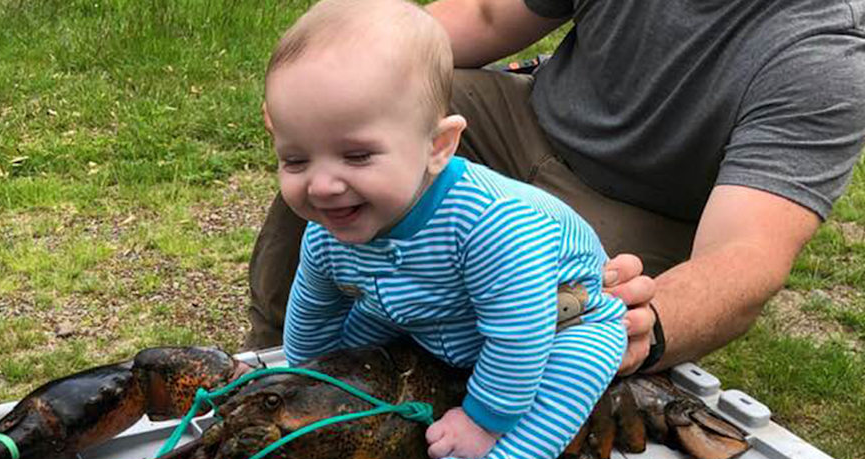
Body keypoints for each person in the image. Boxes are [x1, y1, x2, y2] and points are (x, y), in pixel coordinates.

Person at [248, 0, 865, 378]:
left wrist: (647, 325)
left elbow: (745, 256)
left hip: (632, 211)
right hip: (524, 119)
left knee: (542, 335)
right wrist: (336, 75)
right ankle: (279, 356)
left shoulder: (821, 56)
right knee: (349, 136)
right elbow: (488, 16)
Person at [265, 0, 626, 459]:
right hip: (430, 301)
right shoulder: (331, 228)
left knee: (573, 370)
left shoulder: (491, 225)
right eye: (295, 159)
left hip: (558, 314)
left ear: (439, 145)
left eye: (357, 155)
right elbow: (314, 310)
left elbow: (518, 335)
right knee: (361, 328)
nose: (321, 185)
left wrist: (482, 419)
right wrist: (308, 382)